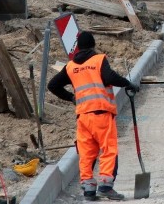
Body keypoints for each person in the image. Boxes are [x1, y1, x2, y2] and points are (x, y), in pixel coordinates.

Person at [47, 31, 138, 201]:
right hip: (101, 114)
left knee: (87, 152)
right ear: (93, 45)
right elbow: (110, 77)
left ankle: (89, 190)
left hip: (83, 117)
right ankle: (105, 186)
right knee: (108, 150)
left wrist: (71, 98)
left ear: (78, 47)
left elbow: (52, 85)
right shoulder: (98, 60)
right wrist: (128, 83)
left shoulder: (71, 67)